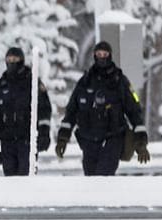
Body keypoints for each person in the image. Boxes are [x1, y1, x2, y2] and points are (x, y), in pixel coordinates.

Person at [55, 40, 150, 176]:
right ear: (94, 55)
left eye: (105, 54)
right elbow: (71, 111)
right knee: (91, 179)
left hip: (113, 139)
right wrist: (63, 138)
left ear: (110, 55)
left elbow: (134, 112)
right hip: (89, 141)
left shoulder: (120, 81)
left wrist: (141, 142)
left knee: (104, 178)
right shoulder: (85, 81)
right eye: (99, 54)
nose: (102, 57)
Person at [0, 47, 52, 176]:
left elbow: (44, 110)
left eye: (15, 59)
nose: (12, 62)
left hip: (27, 142)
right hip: (7, 142)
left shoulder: (32, 83)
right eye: (9, 59)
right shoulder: (0, 86)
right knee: (10, 184)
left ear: (21, 60)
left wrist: (44, 133)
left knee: (26, 181)